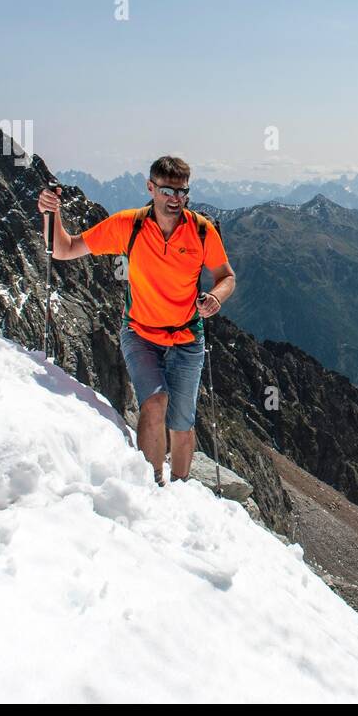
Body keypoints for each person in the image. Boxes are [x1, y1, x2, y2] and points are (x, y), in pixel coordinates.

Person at [37, 156, 235, 486]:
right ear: (150, 188)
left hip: (187, 338)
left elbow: (226, 276)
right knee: (154, 404)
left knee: (182, 425)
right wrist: (51, 213)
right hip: (141, 335)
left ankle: (183, 493)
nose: (175, 199)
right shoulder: (129, 226)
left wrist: (216, 296)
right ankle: (153, 487)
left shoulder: (201, 231)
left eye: (182, 192)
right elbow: (64, 248)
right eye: (167, 191)